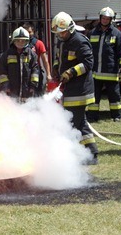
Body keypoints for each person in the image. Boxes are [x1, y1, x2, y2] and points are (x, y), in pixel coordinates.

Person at [51, 12, 98, 164]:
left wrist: (70, 72)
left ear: (70, 29)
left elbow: (88, 63)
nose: (60, 35)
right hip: (70, 89)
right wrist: (56, 68)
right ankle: (88, 153)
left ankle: (88, 154)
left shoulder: (79, 41)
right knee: (78, 122)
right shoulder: (63, 41)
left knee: (75, 122)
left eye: (63, 32)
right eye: (58, 32)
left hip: (80, 90)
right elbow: (60, 58)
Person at [87, 7, 121, 122]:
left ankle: (116, 116)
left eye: (107, 19)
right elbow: (88, 51)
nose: (105, 20)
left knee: (114, 96)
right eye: (103, 18)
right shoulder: (92, 33)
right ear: (100, 18)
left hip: (110, 71)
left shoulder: (116, 33)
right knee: (94, 97)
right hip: (95, 72)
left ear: (111, 20)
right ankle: (92, 117)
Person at [0, 27, 40, 103]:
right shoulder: (6, 54)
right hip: (11, 90)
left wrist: (33, 85)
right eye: (18, 41)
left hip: (27, 90)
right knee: (13, 110)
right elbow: (2, 71)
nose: (20, 43)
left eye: (23, 41)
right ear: (13, 41)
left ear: (26, 41)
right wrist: (6, 86)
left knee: (27, 110)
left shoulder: (32, 54)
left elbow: (35, 70)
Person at [22, 23, 52, 96]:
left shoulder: (39, 43)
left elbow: (45, 60)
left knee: (38, 95)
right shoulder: (19, 43)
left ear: (33, 32)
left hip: (36, 74)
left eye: (29, 32)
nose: (28, 34)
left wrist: (48, 74)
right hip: (23, 74)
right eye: (26, 32)